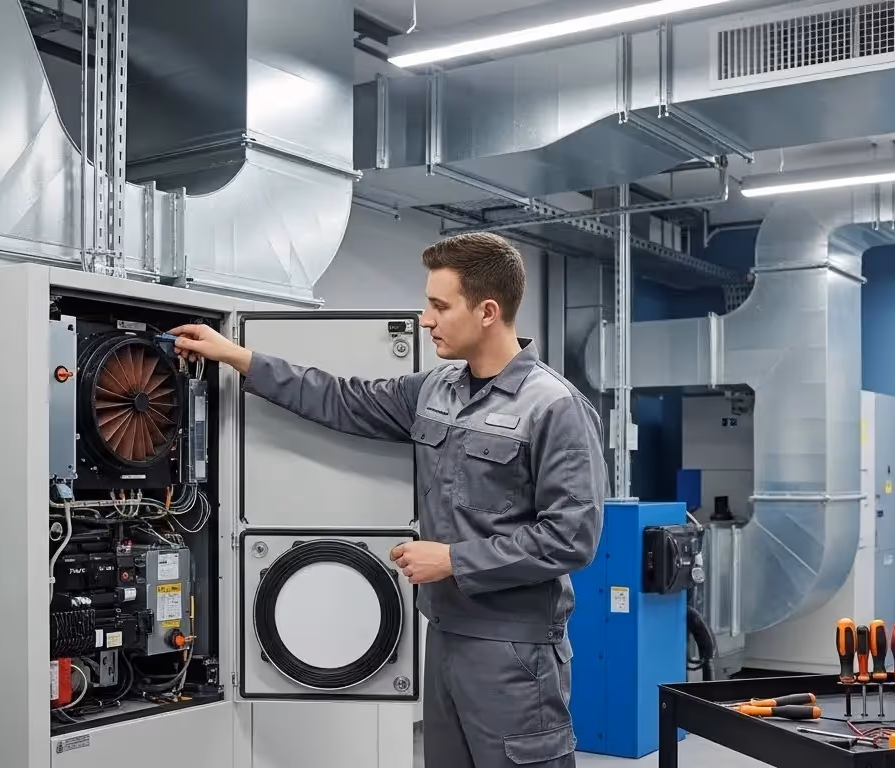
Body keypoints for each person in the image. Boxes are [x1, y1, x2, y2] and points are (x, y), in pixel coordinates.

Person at [170, 232, 607, 768]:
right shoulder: (435, 389)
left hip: (514, 650)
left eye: (440, 306)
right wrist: (239, 357)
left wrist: (454, 560)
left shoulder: (554, 406)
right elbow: (342, 398)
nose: (425, 320)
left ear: (488, 311)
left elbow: (571, 538)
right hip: (443, 635)